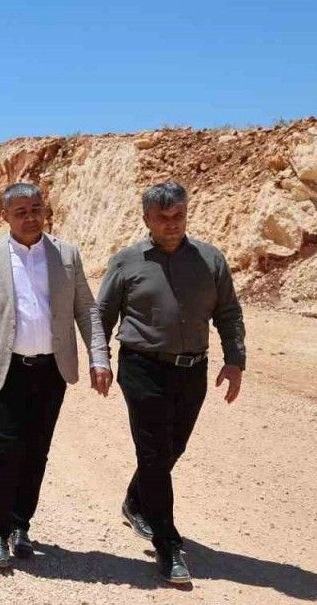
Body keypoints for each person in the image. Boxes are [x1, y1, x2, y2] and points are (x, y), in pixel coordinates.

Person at [96, 182, 246, 585]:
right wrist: (100, 359)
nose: (172, 224)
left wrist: (235, 360)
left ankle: (135, 502)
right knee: (154, 452)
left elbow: (228, 312)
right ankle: (167, 546)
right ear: (146, 218)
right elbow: (102, 314)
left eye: (178, 215)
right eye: (162, 218)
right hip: (142, 367)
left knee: (170, 448)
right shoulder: (127, 261)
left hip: (193, 370)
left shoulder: (210, 259)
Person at [0, 182, 111, 568]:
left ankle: (21, 525)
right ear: (5, 216)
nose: (30, 218)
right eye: (21, 212)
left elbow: (87, 309)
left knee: (37, 449)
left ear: (45, 210)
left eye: (36, 209)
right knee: (7, 448)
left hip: (50, 370)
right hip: (6, 369)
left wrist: (100, 357)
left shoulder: (66, 255)